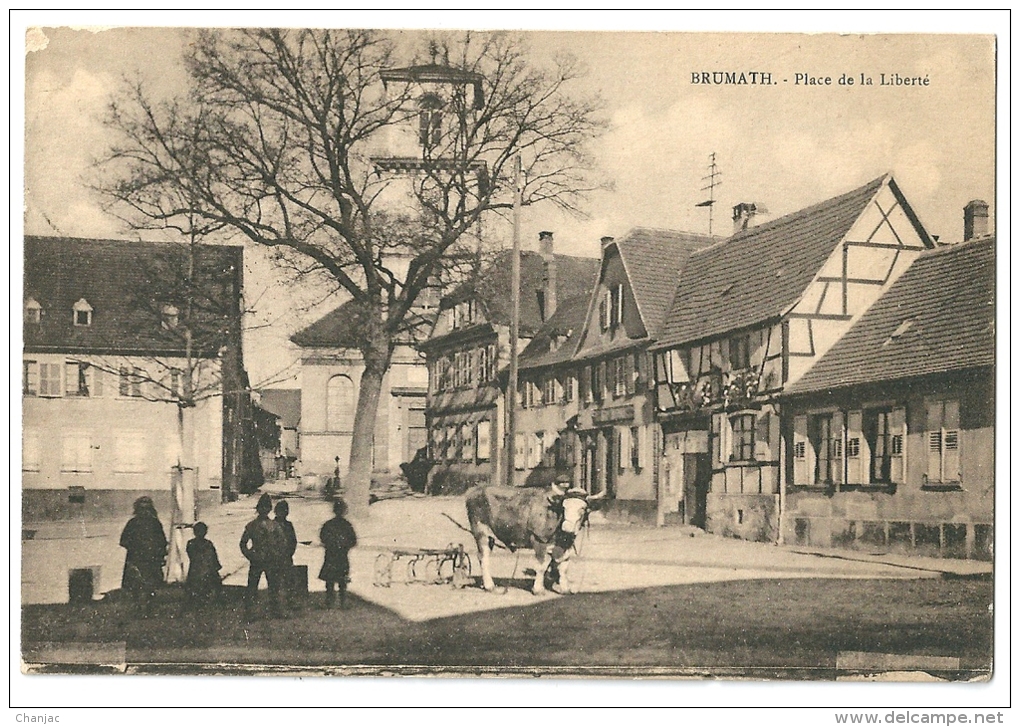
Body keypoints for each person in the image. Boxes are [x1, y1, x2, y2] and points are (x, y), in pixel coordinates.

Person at [239, 493, 287, 618]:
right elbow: (243, 543)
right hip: (257, 559)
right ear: (258, 509)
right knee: (252, 587)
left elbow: (282, 542)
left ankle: (275, 610)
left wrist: (277, 554)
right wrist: (249, 555)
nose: (264, 510)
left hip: (271, 559)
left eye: (266, 508)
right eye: (261, 508)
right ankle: (250, 612)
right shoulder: (251, 525)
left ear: (270, 509)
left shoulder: (275, 525)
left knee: (273, 586)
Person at [119, 496, 168, 615]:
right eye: (142, 509)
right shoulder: (133, 523)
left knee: (149, 584)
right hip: (138, 559)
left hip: (149, 558)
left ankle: (148, 607)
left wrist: (160, 554)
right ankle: (139, 607)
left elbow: (162, 541)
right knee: (137, 584)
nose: (144, 512)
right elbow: (124, 540)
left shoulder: (154, 523)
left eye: (147, 509)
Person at [318, 499, 357, 609]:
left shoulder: (328, 524)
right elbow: (353, 541)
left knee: (330, 581)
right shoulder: (347, 525)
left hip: (331, 555)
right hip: (341, 556)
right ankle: (342, 602)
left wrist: (332, 544)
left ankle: (330, 601)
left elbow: (323, 538)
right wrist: (344, 546)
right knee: (342, 581)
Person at [184, 521, 222, 608]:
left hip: (198, 568)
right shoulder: (207, 544)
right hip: (203, 568)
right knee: (213, 582)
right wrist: (216, 567)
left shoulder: (191, 543)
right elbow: (213, 557)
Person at [274, 500, 299, 610]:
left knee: (289, 580)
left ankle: (290, 601)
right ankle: (276, 604)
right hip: (274, 557)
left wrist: (289, 552)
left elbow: (293, 541)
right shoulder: (272, 525)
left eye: (285, 511)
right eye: (280, 511)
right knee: (275, 581)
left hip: (286, 557)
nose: (282, 513)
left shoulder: (289, 525)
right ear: (276, 512)